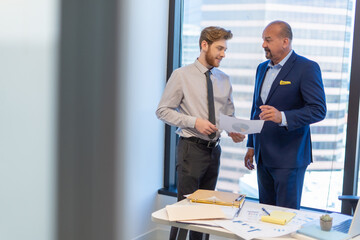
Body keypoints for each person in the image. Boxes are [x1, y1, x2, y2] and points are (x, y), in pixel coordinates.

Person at [156, 26, 245, 240]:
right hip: (191, 149)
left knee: (205, 212)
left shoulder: (224, 79)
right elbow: (162, 111)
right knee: (184, 211)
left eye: (225, 49)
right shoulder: (181, 75)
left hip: (214, 151)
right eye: (220, 48)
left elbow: (228, 114)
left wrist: (233, 129)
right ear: (204, 45)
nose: (224, 54)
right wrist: (194, 121)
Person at [244, 20, 326, 210]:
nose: (263, 44)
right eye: (263, 40)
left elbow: (318, 110)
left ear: (285, 42)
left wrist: (283, 117)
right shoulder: (261, 68)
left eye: (268, 40)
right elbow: (257, 109)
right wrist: (251, 144)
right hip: (263, 155)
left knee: (285, 218)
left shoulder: (306, 68)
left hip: (289, 158)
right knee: (266, 213)